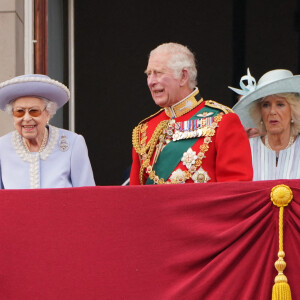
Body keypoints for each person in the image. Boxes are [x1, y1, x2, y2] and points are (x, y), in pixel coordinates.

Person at [130, 42, 253, 185]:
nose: (151, 82)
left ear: (183, 76)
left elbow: (235, 192)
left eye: (158, 73)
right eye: (149, 74)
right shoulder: (145, 130)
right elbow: (134, 198)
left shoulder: (221, 121)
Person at [0, 74, 95, 188]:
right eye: (19, 111)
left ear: (48, 113)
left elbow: (87, 197)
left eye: (34, 111)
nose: (26, 118)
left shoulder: (73, 143)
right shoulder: (2, 147)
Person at [230, 68, 300, 180]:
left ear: (293, 110)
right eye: (266, 105)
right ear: (259, 112)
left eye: (280, 104)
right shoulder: (245, 150)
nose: (272, 111)